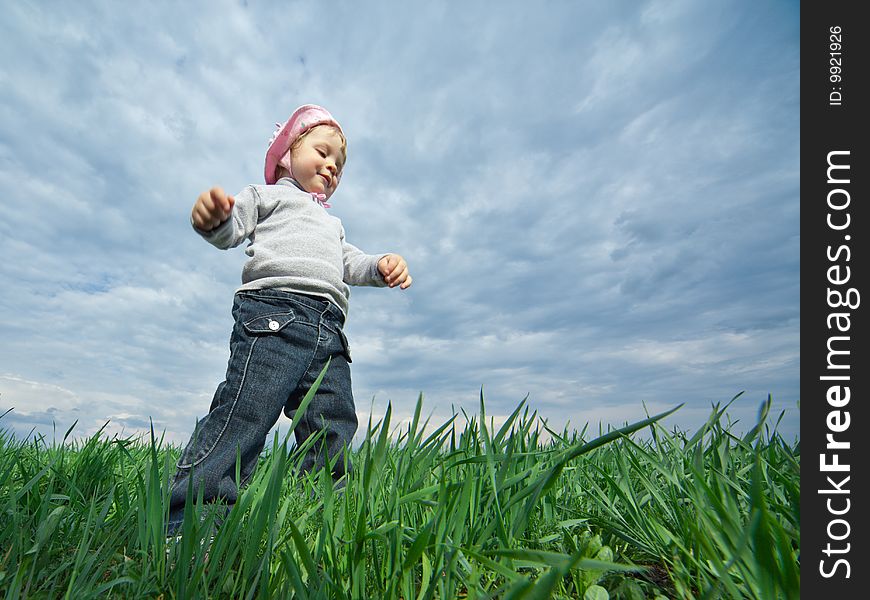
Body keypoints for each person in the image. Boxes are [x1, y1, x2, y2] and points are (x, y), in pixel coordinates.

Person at [167, 104, 411, 535]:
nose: (332, 166)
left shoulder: (331, 223)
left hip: (329, 332)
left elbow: (348, 262)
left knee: (332, 424)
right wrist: (214, 220)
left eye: (339, 163)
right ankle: (192, 524)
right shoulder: (269, 196)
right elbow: (231, 228)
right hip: (273, 315)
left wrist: (381, 266)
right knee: (245, 411)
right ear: (287, 153)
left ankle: (320, 520)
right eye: (323, 152)